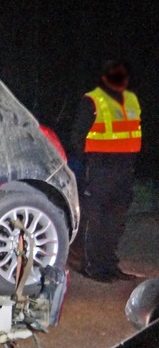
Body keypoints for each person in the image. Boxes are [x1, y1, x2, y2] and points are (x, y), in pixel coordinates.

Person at [68, 59, 142, 282]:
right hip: (100, 169)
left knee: (115, 220)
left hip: (124, 169)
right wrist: (90, 163)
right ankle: (94, 267)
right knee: (96, 219)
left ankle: (110, 265)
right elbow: (77, 137)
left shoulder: (131, 99)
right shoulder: (93, 100)